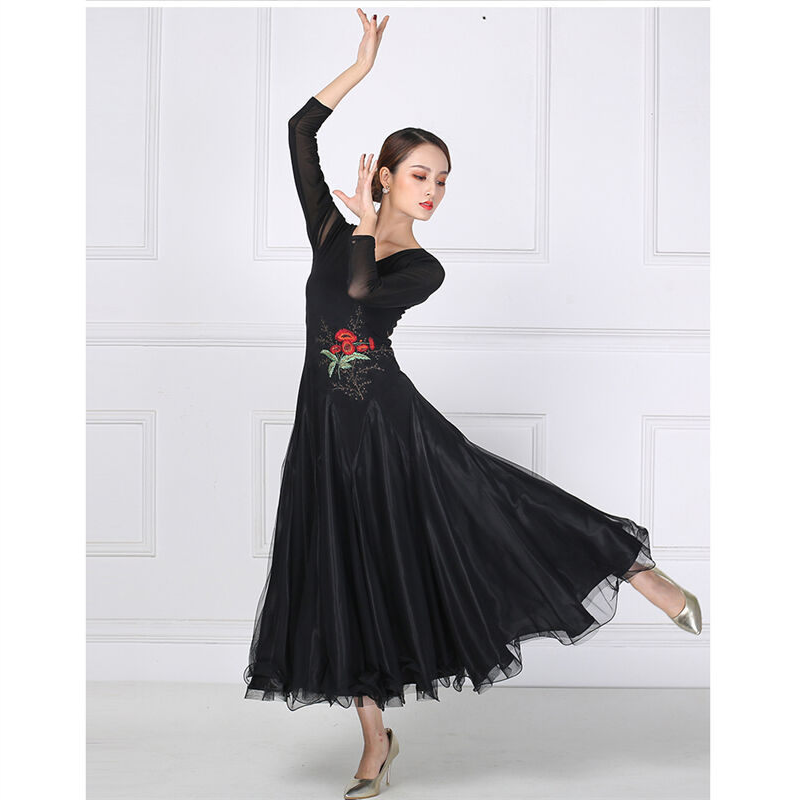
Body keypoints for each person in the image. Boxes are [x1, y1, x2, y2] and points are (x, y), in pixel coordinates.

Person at [243, 9, 702, 799]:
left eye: (443, 179)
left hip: (392, 427)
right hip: (322, 431)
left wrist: (365, 228)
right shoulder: (330, 230)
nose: (434, 191)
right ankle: (376, 740)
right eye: (421, 175)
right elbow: (298, 129)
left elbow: (360, 298)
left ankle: (636, 569)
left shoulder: (422, 268)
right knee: (341, 576)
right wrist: (361, 68)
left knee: (498, 509)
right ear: (385, 175)